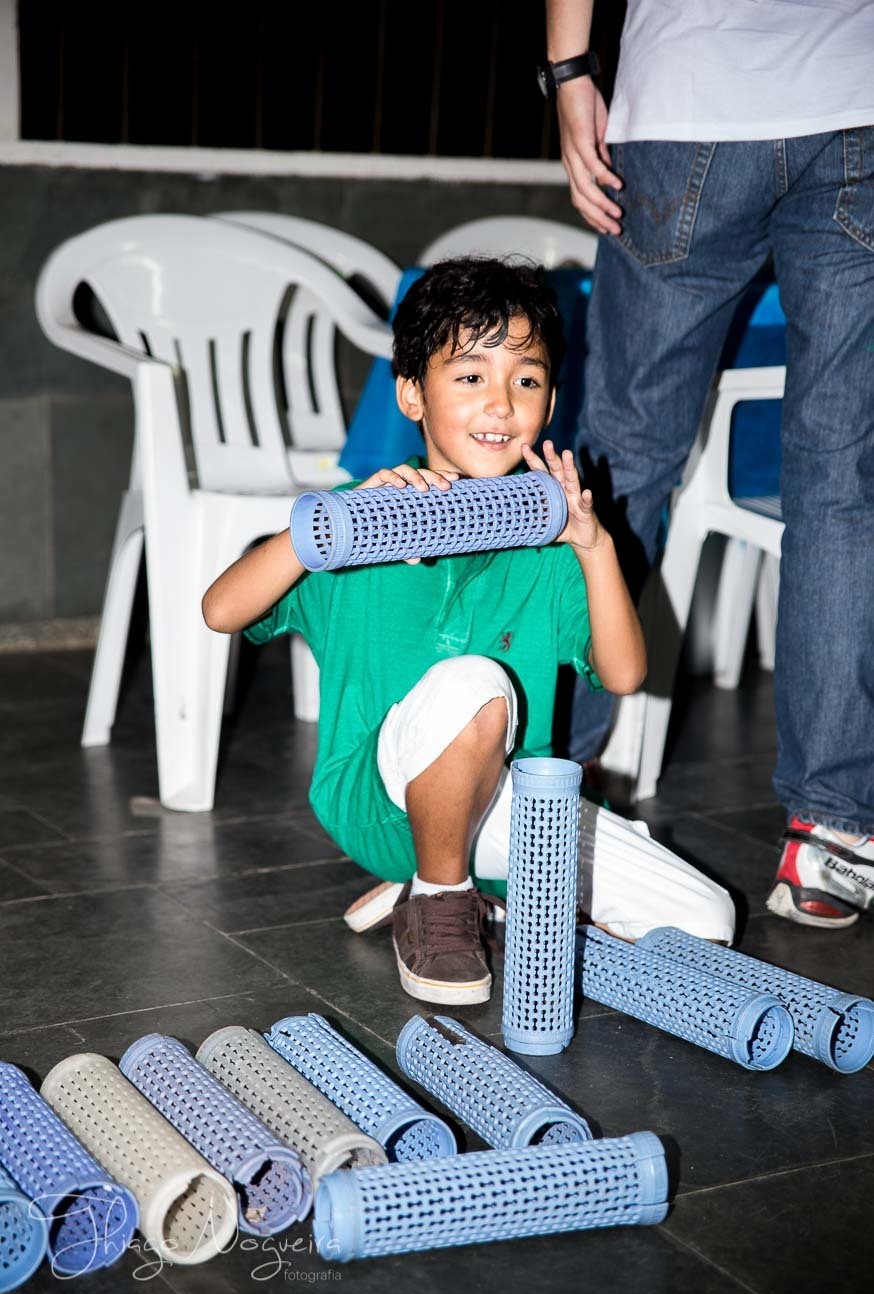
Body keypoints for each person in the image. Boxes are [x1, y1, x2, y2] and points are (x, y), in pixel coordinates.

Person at [203, 257, 734, 1006]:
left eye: (526, 379)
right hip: (378, 797)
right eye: (470, 376)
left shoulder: (551, 548)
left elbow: (623, 674)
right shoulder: (357, 523)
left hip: (508, 800)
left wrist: (595, 547)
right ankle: (439, 896)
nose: (500, 403)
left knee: (706, 920)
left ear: (550, 402)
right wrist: (322, 527)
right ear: (412, 395)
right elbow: (220, 610)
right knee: (476, 685)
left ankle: (484, 899)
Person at [544, 0, 874, 929]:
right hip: (857, 107)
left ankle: (546, 786)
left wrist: (570, 74)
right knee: (841, 484)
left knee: (621, 465)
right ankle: (832, 838)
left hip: (691, 98)